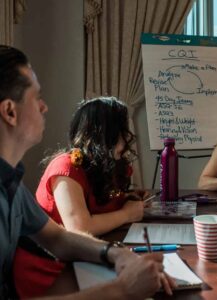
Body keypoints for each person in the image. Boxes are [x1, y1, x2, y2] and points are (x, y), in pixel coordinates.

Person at [0, 44, 175, 299]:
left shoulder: (11, 182)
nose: (44, 107)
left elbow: (58, 237)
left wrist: (116, 254)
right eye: (36, 97)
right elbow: (77, 226)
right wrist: (123, 289)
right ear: (10, 112)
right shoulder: (63, 167)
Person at [13, 97, 148, 297]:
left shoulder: (105, 167)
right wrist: (127, 215)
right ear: (104, 135)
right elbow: (79, 227)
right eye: (121, 132)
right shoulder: (66, 167)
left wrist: (125, 197)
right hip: (50, 269)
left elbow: (99, 204)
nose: (126, 140)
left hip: (84, 259)